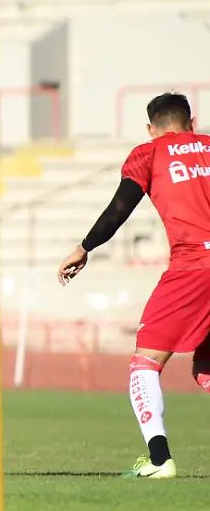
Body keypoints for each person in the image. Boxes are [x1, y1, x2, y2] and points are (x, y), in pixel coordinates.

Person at [58, 92, 210, 479]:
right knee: (206, 366)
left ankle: (159, 460)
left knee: (145, 364)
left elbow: (119, 210)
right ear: (192, 124)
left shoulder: (149, 154)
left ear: (151, 129)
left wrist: (85, 247)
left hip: (194, 267)